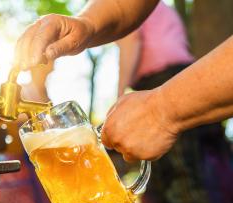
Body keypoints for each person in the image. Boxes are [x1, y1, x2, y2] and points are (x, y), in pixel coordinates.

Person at [13, 0, 233, 164]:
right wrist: (87, 23)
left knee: (187, 195)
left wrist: (159, 108)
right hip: (179, 81)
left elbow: (132, 44)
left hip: (169, 80)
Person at [116, 2, 217, 203]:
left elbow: (131, 43)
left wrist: (119, 96)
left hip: (164, 83)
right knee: (167, 179)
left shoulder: (127, 5)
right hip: (178, 79)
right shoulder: (164, 9)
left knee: (181, 178)